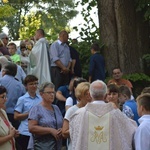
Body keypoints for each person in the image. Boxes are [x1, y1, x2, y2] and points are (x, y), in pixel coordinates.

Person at [69, 80, 137, 150]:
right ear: (105, 95)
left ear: (90, 94)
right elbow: (131, 130)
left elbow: (74, 137)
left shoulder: (78, 115)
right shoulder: (116, 114)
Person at [28, 82, 63, 150]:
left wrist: (61, 130)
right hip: (41, 146)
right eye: (49, 93)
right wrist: (50, 130)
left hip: (56, 145)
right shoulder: (36, 109)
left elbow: (61, 123)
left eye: (53, 92)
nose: (52, 95)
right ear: (41, 94)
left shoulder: (56, 108)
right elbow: (31, 128)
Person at [14, 75, 42, 150]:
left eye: (36, 83)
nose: (34, 86)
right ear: (26, 86)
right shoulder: (22, 99)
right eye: (31, 84)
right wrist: (29, 113)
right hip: (25, 132)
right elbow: (16, 116)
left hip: (38, 131)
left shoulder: (41, 98)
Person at [62, 82, 92, 150]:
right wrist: (80, 128)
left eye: (91, 94)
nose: (89, 97)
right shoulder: (72, 110)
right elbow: (64, 132)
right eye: (86, 94)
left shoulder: (94, 110)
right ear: (79, 97)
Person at [0, 62, 26, 129]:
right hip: (13, 115)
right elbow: (23, 101)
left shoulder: (1, 81)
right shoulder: (20, 85)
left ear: (4, 71)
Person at [0, 85, 19, 150]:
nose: (6, 100)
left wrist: (14, 133)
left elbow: (8, 130)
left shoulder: (3, 112)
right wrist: (10, 136)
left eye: (6, 96)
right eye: (3, 97)